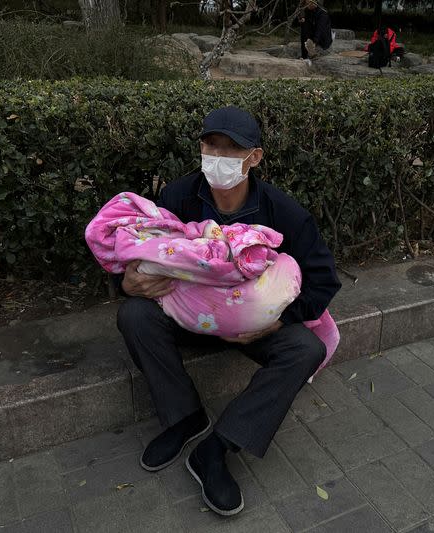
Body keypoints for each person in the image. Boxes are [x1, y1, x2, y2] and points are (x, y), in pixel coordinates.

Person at [114, 106, 341, 516]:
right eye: (210, 145)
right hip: (191, 318)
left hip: (254, 327)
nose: (217, 157)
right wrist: (126, 283)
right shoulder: (177, 198)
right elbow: (141, 252)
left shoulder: (283, 213)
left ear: (254, 157)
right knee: (133, 315)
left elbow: (324, 280)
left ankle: (217, 447)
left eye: (231, 149)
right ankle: (184, 417)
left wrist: (276, 322)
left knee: (305, 349)